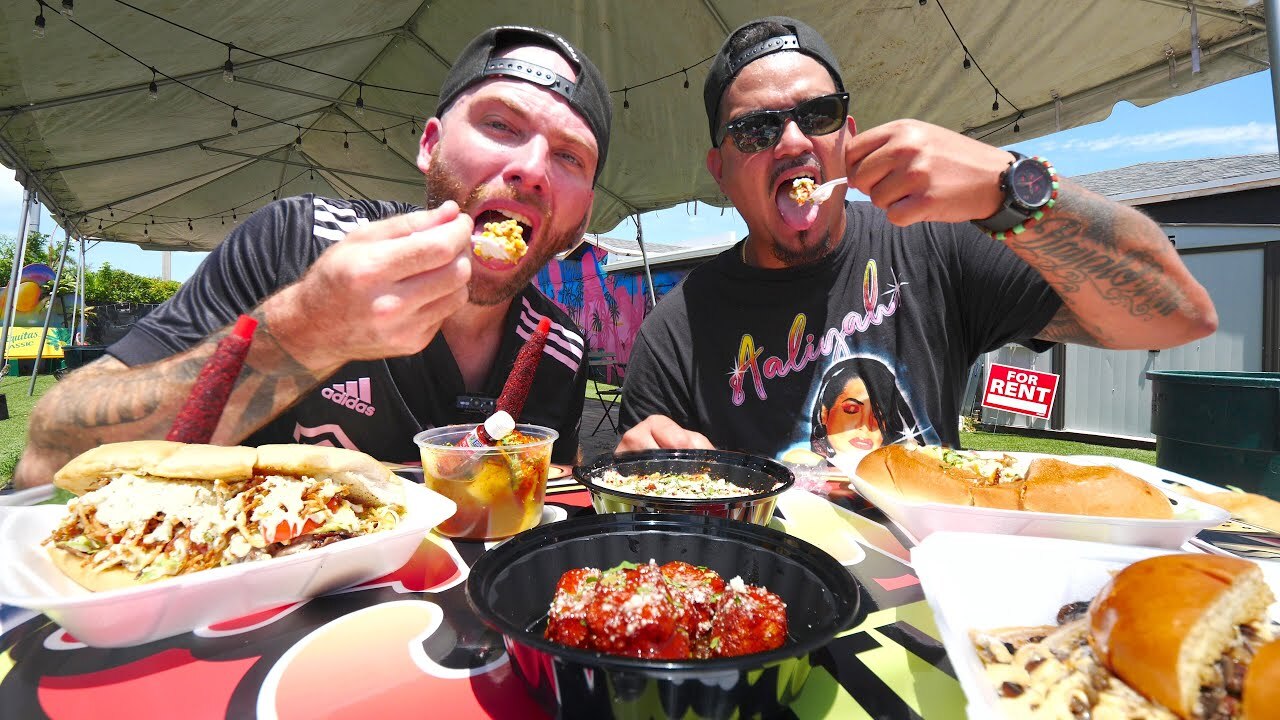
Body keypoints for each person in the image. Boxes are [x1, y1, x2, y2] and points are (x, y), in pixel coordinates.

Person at [15, 25, 612, 488]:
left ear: (581, 215)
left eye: (569, 158)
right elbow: (47, 456)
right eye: (501, 125)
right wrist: (306, 330)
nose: (532, 169)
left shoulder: (559, 350)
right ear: (430, 146)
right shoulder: (295, 245)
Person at [617, 16, 1216, 461]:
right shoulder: (676, 332)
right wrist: (641, 475)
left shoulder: (934, 246)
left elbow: (1178, 315)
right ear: (720, 171)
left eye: (819, 115)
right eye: (755, 129)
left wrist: (1007, 185)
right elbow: (651, 519)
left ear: (847, 137)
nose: (794, 142)